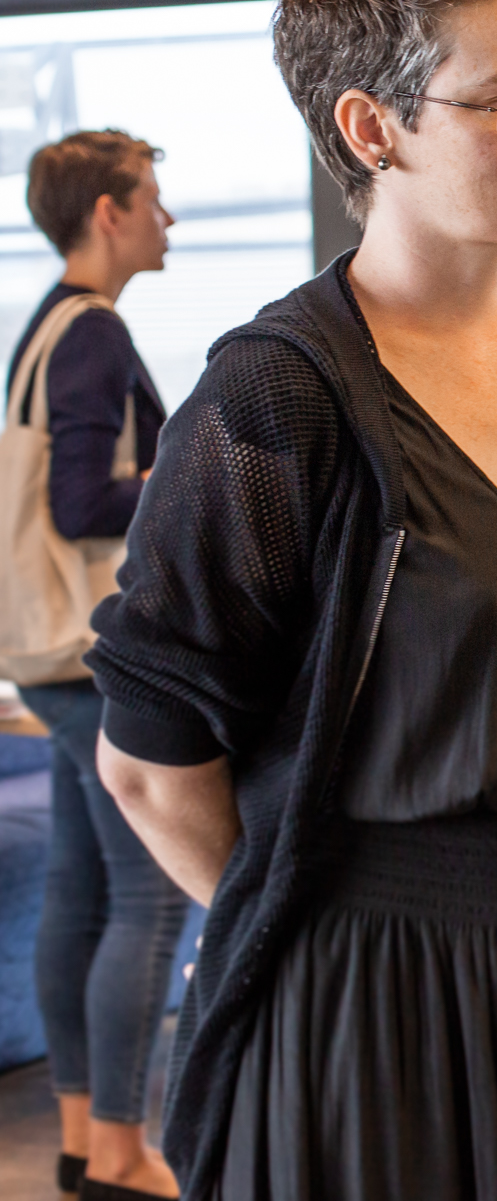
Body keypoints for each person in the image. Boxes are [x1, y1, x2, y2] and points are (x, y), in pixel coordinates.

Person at [84, 0, 497, 1201]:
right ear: (375, 128)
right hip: (376, 1026)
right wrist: (314, 942)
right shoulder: (283, 397)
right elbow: (150, 764)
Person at [8, 130, 182, 1200]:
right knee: (151, 894)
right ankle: (121, 1148)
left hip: (41, 655)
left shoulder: (44, 324)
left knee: (77, 892)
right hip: (87, 657)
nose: (170, 220)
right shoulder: (97, 333)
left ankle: (80, 1135)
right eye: (154, 199)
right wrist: (173, 474)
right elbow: (81, 503)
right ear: (108, 213)